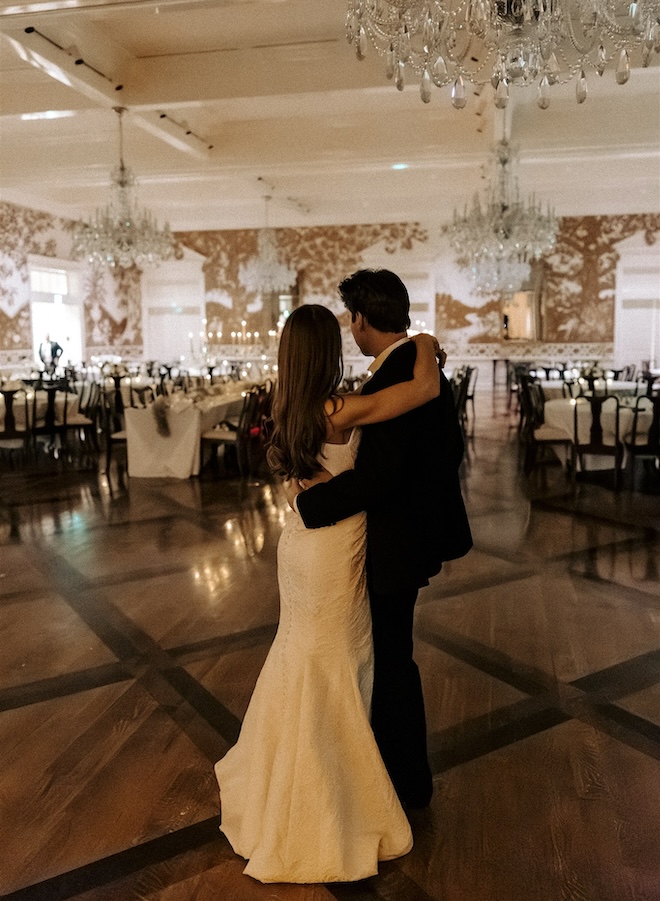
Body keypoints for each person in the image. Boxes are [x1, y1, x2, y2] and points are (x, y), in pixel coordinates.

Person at [214, 303, 442, 884]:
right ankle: (325, 796)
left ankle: (293, 782)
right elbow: (422, 391)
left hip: (301, 546)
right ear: (325, 352)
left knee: (306, 656)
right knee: (336, 662)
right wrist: (424, 340)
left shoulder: (289, 404)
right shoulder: (339, 407)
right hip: (332, 549)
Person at [291, 269, 472, 812]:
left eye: (353, 319)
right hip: (408, 536)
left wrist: (311, 503)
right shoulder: (417, 369)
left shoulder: (399, 377)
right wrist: (422, 342)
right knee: (389, 656)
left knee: (392, 662)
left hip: (394, 544)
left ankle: (404, 783)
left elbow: (378, 479)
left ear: (361, 320)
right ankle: (386, 771)